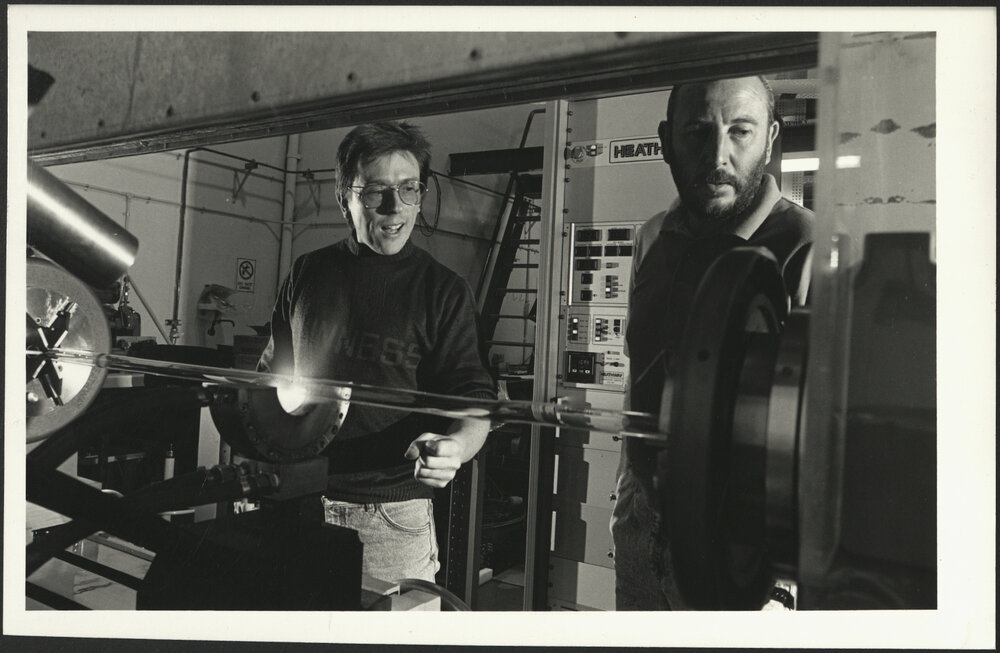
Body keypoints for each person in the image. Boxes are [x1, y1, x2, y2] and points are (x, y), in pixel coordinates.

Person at [259, 121, 496, 583]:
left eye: (410, 189)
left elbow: (476, 403)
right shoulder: (309, 272)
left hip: (390, 517)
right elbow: (272, 376)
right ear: (343, 195)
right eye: (376, 192)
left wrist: (457, 447)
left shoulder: (443, 290)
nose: (395, 208)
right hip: (300, 503)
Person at [611, 76, 814, 609]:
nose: (718, 155)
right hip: (641, 515)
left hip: (744, 531)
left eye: (740, 132)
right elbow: (644, 370)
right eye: (698, 132)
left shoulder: (810, 244)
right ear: (665, 140)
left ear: (770, 137)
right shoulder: (652, 235)